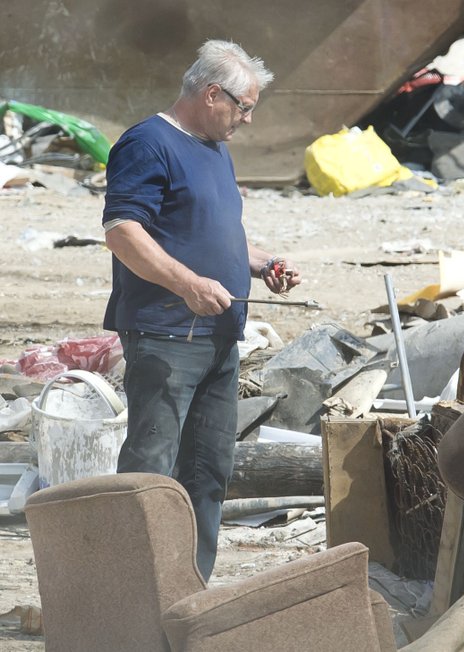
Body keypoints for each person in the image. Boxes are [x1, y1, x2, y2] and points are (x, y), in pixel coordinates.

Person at [102, 40, 300, 580]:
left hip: (218, 337)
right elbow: (122, 231)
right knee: (150, 471)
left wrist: (261, 262)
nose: (248, 119)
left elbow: (213, 229)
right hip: (165, 335)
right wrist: (187, 284)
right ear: (212, 93)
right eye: (243, 106)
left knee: (209, 470)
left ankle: (188, 588)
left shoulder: (214, 145)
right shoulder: (147, 143)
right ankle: (130, 591)